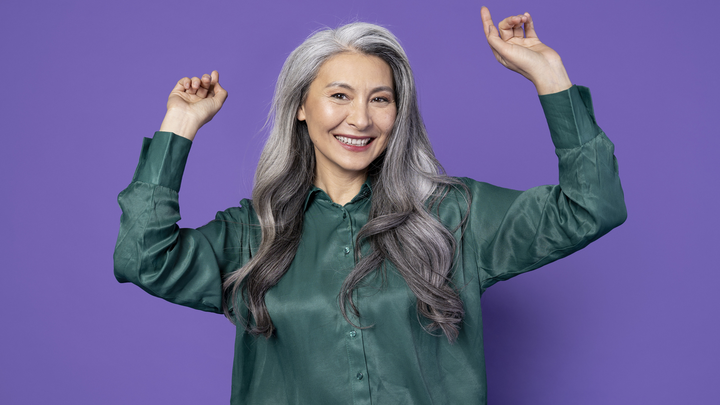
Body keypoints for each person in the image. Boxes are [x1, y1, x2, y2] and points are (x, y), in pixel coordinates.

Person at [114, 7, 626, 404]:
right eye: (339, 95)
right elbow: (143, 256)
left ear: (397, 113)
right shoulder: (252, 233)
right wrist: (179, 125)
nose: (360, 119)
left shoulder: (452, 215)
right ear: (300, 107)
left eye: (380, 99)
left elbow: (591, 204)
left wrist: (549, 73)